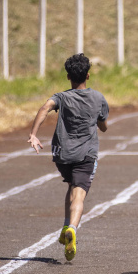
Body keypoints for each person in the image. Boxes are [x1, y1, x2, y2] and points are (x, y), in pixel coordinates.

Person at [27, 53, 108, 262]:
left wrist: (33, 134)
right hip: (86, 154)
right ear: (88, 76)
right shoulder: (98, 98)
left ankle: (65, 226)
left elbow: (45, 107)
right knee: (79, 194)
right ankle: (72, 228)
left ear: (68, 77)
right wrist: (100, 122)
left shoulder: (61, 97)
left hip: (62, 155)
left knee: (71, 185)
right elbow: (104, 125)